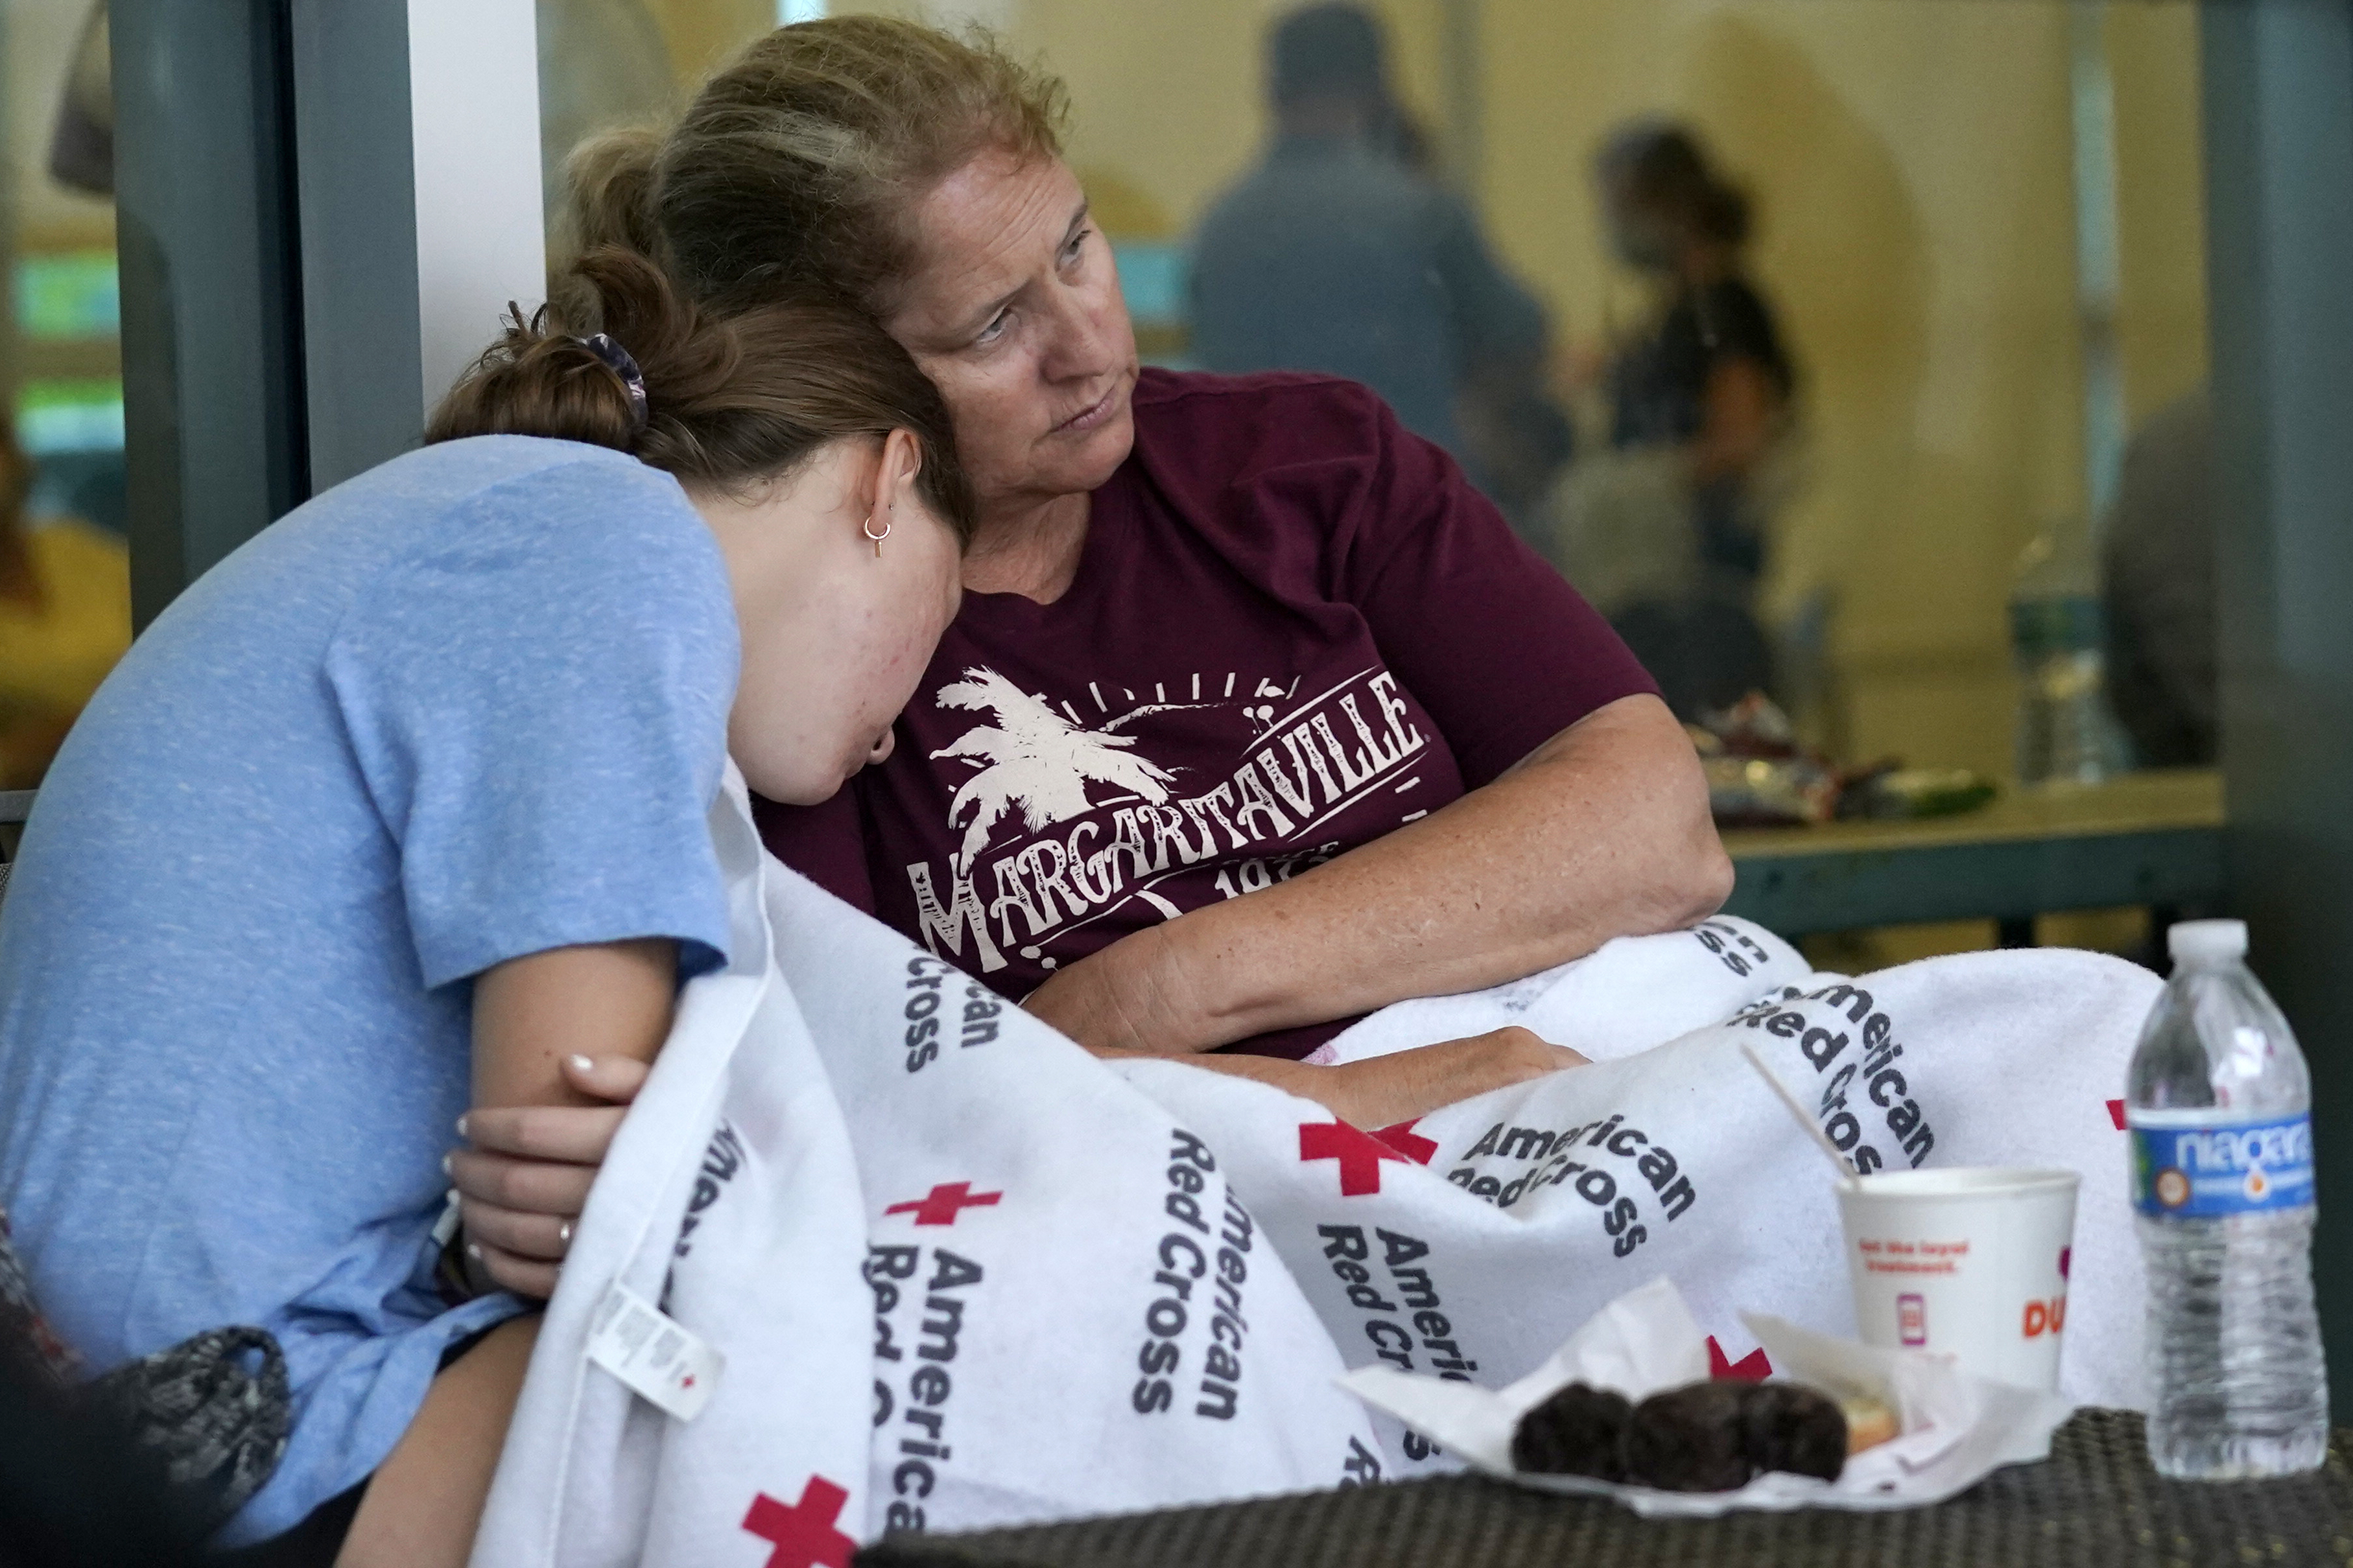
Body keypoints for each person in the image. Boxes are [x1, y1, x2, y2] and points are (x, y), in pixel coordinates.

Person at [0, 249, 975, 1565]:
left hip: (124, 1386)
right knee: (935, 1351)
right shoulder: (608, 540)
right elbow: (586, 1197)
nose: (895, 735)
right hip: (202, 1422)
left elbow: (573, 1180)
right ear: (886, 482)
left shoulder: (478, 521)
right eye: (944, 617)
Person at [567, 18, 1728, 1085]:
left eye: (1075, 249)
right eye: (992, 325)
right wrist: (1350, 1105)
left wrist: (1161, 982)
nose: (1088, 347)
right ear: (835, 372)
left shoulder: (1307, 462)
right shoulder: (812, 651)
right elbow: (875, 1098)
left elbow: (1654, 823)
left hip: (1583, 1066)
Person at [1188, 3, 1567, 517]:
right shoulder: (1417, 211)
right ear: (1377, 85)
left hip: (1263, 528)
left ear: (1271, 89)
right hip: (1410, 519)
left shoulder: (1217, 228)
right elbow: (1520, 334)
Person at [1548, 120, 1797, 720]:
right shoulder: (1676, 314)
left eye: (1619, 208)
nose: (1611, 229)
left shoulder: (1725, 308)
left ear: (1668, 205)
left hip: (1696, 609)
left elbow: (1739, 440)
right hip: (1653, 599)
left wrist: (1636, 485)